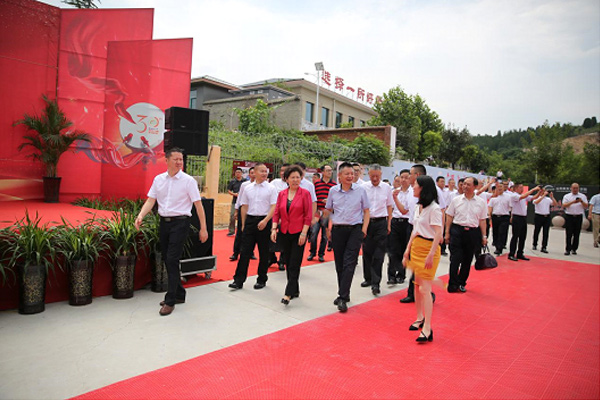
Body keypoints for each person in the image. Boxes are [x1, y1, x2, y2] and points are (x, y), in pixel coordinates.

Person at [134, 147, 208, 316]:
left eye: (181, 159)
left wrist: (203, 228)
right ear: (166, 161)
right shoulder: (158, 179)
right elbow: (151, 200)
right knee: (169, 260)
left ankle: (170, 300)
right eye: (176, 159)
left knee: (172, 258)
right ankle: (180, 293)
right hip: (164, 223)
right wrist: (140, 215)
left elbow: (198, 205)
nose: (179, 162)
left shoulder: (188, 181)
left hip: (181, 223)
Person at [324, 162, 370, 313]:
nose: (350, 176)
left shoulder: (360, 190)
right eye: (347, 174)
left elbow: (366, 211)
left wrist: (364, 229)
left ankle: (342, 297)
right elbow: (329, 210)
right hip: (338, 230)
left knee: (350, 263)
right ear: (339, 176)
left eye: (352, 174)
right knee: (339, 264)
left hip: (355, 230)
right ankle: (344, 292)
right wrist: (328, 227)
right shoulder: (333, 191)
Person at [402, 175, 444, 343]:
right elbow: (415, 230)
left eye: (416, 185)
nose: (413, 187)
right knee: (416, 285)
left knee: (424, 289)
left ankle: (428, 327)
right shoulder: (418, 207)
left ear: (423, 189)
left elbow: (438, 233)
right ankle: (419, 317)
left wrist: (431, 254)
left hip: (429, 249)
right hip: (417, 247)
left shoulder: (434, 209)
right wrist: (407, 249)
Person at [228, 163, 278, 290]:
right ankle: (238, 280)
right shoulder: (248, 188)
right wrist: (243, 224)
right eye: (261, 171)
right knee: (245, 252)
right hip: (250, 221)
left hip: (264, 221)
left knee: (264, 252)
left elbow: (274, 206)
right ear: (254, 173)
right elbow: (244, 206)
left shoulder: (271, 188)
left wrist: (266, 221)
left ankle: (261, 279)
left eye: (265, 171)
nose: (264, 173)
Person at [270, 165, 312, 305]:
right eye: (292, 177)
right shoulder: (282, 194)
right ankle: (295, 290)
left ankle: (288, 293)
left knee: (295, 262)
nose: (295, 180)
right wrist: (274, 229)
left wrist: (304, 233)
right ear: (286, 179)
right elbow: (277, 212)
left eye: (298, 177)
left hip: (299, 233)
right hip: (284, 232)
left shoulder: (305, 193)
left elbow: (308, 215)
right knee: (288, 261)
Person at [399, 164, 438, 304]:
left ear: (417, 175)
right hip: (413, 231)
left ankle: (423, 292)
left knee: (422, 269)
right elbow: (406, 212)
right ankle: (414, 292)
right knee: (414, 266)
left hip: (427, 237)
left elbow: (440, 217)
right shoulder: (412, 195)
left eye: (411, 174)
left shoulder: (433, 200)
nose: (409, 177)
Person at [445, 177, 488, 293]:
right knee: (455, 258)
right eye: (464, 184)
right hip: (457, 231)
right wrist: (447, 232)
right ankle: (452, 284)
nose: (465, 186)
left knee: (467, 259)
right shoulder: (456, 200)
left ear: (475, 187)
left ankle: (461, 282)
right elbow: (449, 216)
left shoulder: (481, 202)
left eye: (468, 184)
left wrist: (484, 236)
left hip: (473, 232)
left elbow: (482, 220)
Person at [361, 164, 393, 296]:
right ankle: (368, 278)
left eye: (377, 176)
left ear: (381, 175)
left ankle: (376, 283)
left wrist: (389, 224)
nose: (375, 178)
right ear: (368, 175)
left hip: (381, 223)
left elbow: (389, 206)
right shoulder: (363, 187)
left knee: (379, 253)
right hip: (367, 222)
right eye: (372, 176)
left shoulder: (386, 188)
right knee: (367, 251)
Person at [388, 170, 415, 285]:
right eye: (401, 177)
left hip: (406, 223)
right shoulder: (394, 192)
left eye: (406, 177)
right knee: (393, 250)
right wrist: (389, 223)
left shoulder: (413, 193)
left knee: (404, 250)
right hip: (395, 222)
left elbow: (405, 210)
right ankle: (391, 276)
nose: (403, 180)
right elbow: (390, 208)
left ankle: (401, 274)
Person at [507, 184, 541, 262]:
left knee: (522, 236)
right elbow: (522, 197)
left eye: (522, 188)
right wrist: (533, 189)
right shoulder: (514, 196)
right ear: (515, 188)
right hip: (517, 217)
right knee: (515, 236)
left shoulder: (523, 196)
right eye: (520, 187)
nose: (522, 189)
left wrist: (539, 192)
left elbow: (533, 197)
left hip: (523, 218)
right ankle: (511, 254)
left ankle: (520, 253)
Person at [309, 164, 336, 262]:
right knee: (314, 234)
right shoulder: (316, 184)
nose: (330, 172)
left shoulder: (334, 185)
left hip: (327, 213)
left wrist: (329, 201)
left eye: (331, 170)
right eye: (328, 170)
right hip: (317, 212)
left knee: (325, 235)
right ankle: (312, 253)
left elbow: (336, 199)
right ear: (323, 172)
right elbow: (313, 198)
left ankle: (321, 254)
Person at [230, 167, 255, 261]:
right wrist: (236, 211)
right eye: (251, 173)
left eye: (254, 173)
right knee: (240, 232)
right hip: (243, 210)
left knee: (252, 233)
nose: (253, 174)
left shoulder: (261, 185)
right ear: (249, 174)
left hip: (253, 211)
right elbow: (240, 198)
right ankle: (235, 253)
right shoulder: (245, 185)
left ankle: (250, 252)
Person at [562, 183, 588, 256]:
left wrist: (581, 201)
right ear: (571, 188)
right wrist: (573, 202)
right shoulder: (567, 196)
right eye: (574, 188)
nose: (575, 189)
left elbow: (586, 206)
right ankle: (568, 249)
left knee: (576, 234)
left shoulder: (582, 196)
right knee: (569, 233)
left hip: (578, 216)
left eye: (577, 188)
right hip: (569, 216)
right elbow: (564, 205)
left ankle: (574, 249)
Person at [488, 182, 512, 255]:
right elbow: (490, 208)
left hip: (504, 217)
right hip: (495, 217)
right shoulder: (493, 198)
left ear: (504, 188)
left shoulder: (508, 197)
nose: (500, 188)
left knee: (502, 232)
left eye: (501, 186)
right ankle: (496, 245)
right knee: (495, 232)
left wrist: (511, 216)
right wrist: (489, 216)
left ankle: (499, 248)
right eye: (498, 186)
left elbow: (511, 207)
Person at [532, 187, 558, 253]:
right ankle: (534, 244)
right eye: (542, 191)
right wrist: (543, 196)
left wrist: (552, 197)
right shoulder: (536, 198)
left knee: (546, 232)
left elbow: (555, 204)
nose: (544, 192)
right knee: (537, 231)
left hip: (546, 216)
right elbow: (536, 202)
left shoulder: (548, 199)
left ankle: (544, 247)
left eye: (544, 191)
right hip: (538, 216)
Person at [226, 168, 244, 236]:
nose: (238, 174)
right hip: (235, 201)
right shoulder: (233, 181)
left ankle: (242, 231)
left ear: (241, 173)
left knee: (242, 217)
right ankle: (231, 231)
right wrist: (234, 194)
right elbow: (229, 190)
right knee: (232, 216)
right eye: (236, 172)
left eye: (239, 172)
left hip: (243, 202)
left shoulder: (245, 182)